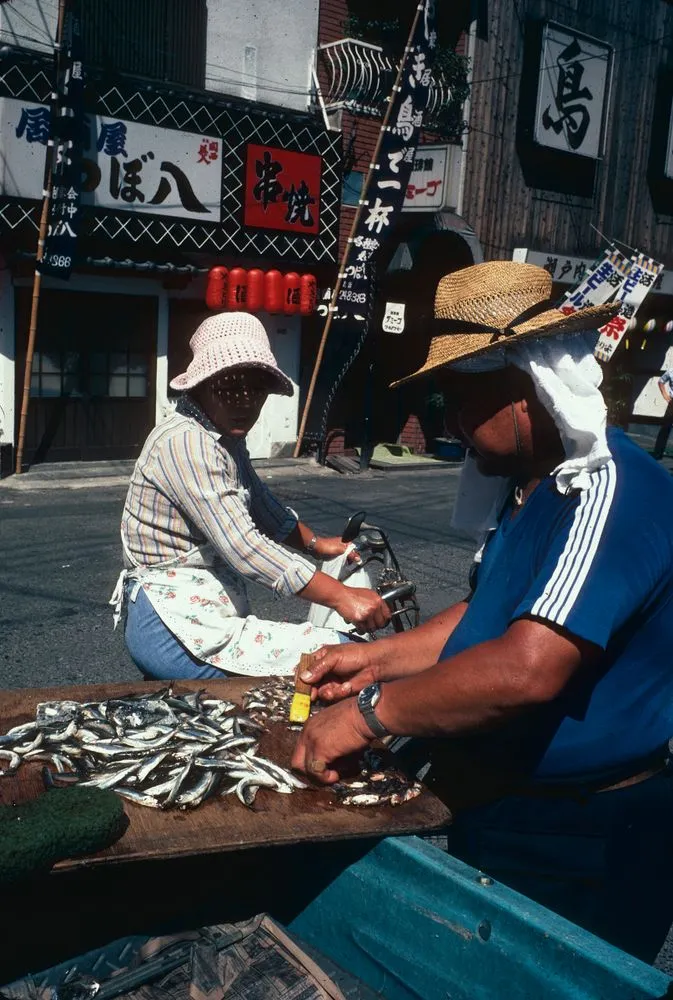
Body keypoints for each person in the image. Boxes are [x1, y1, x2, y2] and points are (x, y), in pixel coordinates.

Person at [292, 260, 673, 963]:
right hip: (507, 806)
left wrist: (367, 713)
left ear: (529, 387)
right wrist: (375, 658)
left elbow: (524, 669)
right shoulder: (532, 487)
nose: (452, 424)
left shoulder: (607, 493)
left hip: (584, 832)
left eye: (461, 401)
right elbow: (488, 614)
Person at [110, 312, 389, 680]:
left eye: (256, 388)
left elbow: (261, 505)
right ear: (202, 385)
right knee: (339, 654)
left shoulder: (224, 439)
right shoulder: (187, 443)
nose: (245, 402)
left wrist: (319, 545)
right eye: (229, 387)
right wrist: (342, 596)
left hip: (203, 613)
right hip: (174, 629)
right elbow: (244, 545)